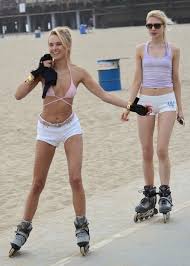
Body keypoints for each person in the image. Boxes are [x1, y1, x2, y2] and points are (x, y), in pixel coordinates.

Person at [9, 26, 150, 257]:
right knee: (37, 183)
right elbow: (18, 94)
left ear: (67, 46)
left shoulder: (79, 73)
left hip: (70, 128)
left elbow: (104, 95)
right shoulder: (43, 71)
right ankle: (23, 228)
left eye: (58, 45)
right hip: (46, 130)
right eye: (51, 45)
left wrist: (133, 106)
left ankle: (81, 226)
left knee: (75, 178)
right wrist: (35, 72)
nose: (54, 49)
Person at [122, 10, 184, 222]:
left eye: (157, 25)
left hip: (167, 100)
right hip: (146, 101)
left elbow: (176, 79)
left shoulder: (173, 50)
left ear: (164, 26)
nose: (153, 29)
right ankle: (149, 195)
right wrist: (129, 105)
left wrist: (181, 108)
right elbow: (136, 80)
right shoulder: (141, 49)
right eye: (149, 26)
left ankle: (165, 193)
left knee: (162, 149)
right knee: (147, 150)